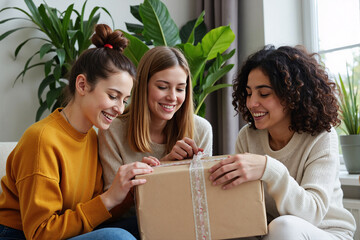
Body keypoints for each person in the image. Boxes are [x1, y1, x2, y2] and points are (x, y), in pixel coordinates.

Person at [0, 24, 155, 240]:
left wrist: (128, 191)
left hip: (67, 231)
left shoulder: (91, 136)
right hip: (21, 236)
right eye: (112, 96)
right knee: (117, 238)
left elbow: (90, 213)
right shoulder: (42, 140)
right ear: (82, 85)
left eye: (125, 100)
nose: (120, 108)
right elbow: (40, 233)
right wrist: (108, 198)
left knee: (147, 224)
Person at [208, 45, 356, 240]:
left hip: (327, 232)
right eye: (249, 93)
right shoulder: (248, 137)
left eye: (264, 94)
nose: (252, 103)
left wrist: (270, 169)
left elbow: (312, 214)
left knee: (283, 227)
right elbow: (246, 210)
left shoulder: (322, 137)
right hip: (271, 233)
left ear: (292, 95)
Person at [98, 46, 213, 237]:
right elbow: (110, 210)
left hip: (181, 222)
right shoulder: (113, 130)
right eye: (162, 87)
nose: (172, 97)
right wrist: (160, 173)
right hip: (130, 227)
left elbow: (201, 201)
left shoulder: (201, 129)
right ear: (143, 86)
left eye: (180, 89)